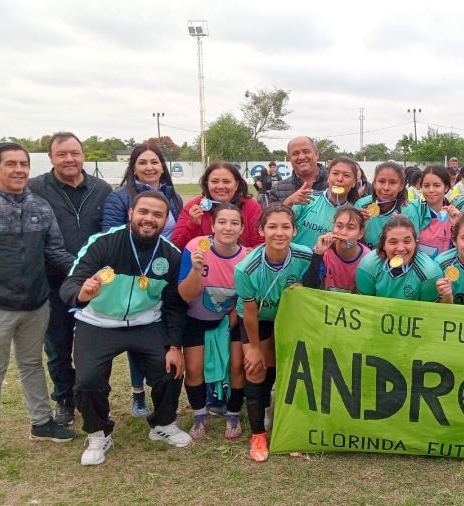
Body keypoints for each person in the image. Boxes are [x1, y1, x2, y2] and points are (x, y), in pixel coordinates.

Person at [0, 132, 112, 426]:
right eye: (62, 154)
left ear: (82, 155)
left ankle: (77, 405)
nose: (69, 159)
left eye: (75, 153)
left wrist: (89, 276)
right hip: (35, 290)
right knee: (53, 350)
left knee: (84, 349)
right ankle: (61, 402)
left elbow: (62, 245)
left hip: (77, 288)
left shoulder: (98, 189)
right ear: (51, 158)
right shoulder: (27, 191)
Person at [0, 142, 78, 470]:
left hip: (36, 304)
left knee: (31, 365)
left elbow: (55, 252)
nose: (19, 170)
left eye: (24, 163)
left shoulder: (41, 206)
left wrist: (84, 271)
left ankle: (41, 423)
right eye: (10, 164)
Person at [61, 191, 192, 465]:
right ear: (131, 213)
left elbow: (174, 305)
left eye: (158, 215)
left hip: (146, 322)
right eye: (143, 212)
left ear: (166, 219)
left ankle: (163, 424)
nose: (149, 219)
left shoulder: (170, 254)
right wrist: (83, 293)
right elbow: (71, 283)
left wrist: (174, 346)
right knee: (87, 380)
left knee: (170, 367)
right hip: (99, 322)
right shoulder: (103, 243)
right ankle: (98, 433)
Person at [102, 143, 184, 417]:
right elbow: (111, 235)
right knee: (136, 331)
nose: (149, 167)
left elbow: (178, 234)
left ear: (163, 166)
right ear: (133, 167)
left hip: (165, 272)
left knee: (157, 331)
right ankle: (138, 393)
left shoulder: (172, 196)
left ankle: (159, 388)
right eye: (142, 162)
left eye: (154, 162)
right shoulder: (120, 197)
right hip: (134, 274)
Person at [234, 205, 313, 461]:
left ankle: (289, 428)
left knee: (292, 370)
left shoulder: (305, 256)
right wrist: (255, 347)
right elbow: (249, 311)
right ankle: (258, 435)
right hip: (259, 321)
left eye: (286, 227)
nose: (279, 233)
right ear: (261, 230)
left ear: (295, 230)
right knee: (256, 369)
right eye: (272, 226)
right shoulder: (246, 268)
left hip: (290, 320)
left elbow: (315, 287)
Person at [178, 204, 250, 441]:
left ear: (242, 228)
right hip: (195, 319)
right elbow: (186, 295)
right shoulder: (195, 247)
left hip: (230, 320)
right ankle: (200, 416)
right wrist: (196, 269)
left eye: (234, 223)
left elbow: (246, 296)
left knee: (238, 367)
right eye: (222, 222)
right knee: (195, 370)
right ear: (212, 225)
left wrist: (229, 320)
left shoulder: (247, 257)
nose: (228, 227)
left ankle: (233, 414)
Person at [171, 161, 264, 249]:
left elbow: (261, 244)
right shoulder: (194, 207)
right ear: (207, 184)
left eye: (226, 182)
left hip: (243, 264)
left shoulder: (250, 206)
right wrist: (192, 225)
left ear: (236, 184)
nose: (220, 186)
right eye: (214, 181)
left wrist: (251, 256)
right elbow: (177, 247)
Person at [356, 214, 444, 301]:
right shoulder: (368, 266)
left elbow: (428, 312)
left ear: (415, 243)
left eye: (407, 241)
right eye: (393, 242)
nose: (401, 248)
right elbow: (365, 306)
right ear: (383, 245)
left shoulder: (430, 273)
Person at [291, 156, 360, 249]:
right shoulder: (306, 198)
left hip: (325, 263)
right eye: (335, 173)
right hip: (295, 262)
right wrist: (289, 202)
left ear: (354, 183)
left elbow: (350, 248)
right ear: (328, 177)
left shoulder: (352, 214)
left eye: (346, 175)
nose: (339, 179)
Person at [303, 207, 370, 292]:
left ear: (361, 233)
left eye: (351, 228)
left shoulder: (368, 259)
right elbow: (309, 288)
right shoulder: (323, 252)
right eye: (339, 226)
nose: (343, 233)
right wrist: (318, 254)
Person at [402, 165, 459, 258]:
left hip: (446, 267)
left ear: (446, 188)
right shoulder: (412, 209)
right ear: (421, 187)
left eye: (437, 185)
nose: (431, 190)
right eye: (426, 186)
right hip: (419, 268)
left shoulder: (454, 213)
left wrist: (457, 225)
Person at [355, 161, 408, 249]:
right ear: (374, 184)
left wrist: (405, 227)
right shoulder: (361, 205)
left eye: (393, 183)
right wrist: (357, 224)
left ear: (401, 186)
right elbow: (353, 242)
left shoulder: (407, 209)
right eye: (381, 181)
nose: (386, 187)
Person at [266, 136, 329, 204]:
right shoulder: (278, 190)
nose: (301, 157)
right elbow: (271, 214)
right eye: (295, 153)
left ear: (316, 154)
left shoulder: (336, 182)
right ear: (290, 158)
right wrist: (288, 203)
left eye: (306, 152)